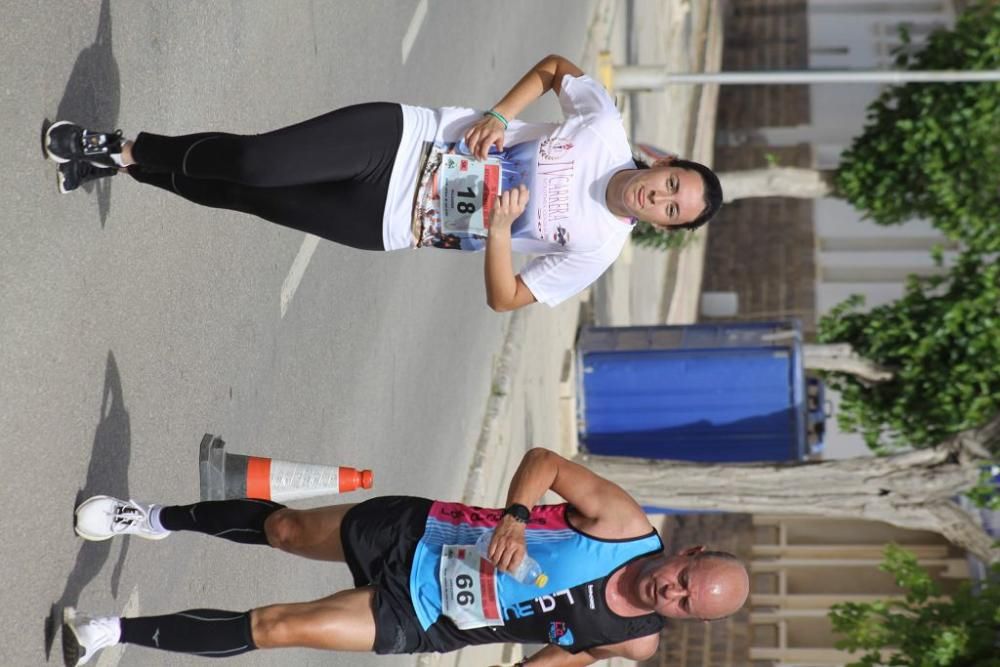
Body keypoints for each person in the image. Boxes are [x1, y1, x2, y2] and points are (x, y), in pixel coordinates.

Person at [44, 54, 722, 311]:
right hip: (406, 140)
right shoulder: (604, 127)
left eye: (670, 209)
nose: (658, 196)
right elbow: (553, 69)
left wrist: (496, 235)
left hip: (394, 223)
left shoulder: (598, 248)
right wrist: (497, 114)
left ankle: (127, 165)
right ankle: (124, 144)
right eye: (670, 184)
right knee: (256, 164)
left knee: (245, 195)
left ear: (661, 226)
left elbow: (508, 297)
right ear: (663, 163)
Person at [62, 447, 749, 666]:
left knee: (277, 625)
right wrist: (513, 517)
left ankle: (112, 632)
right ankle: (147, 518)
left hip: (425, 616)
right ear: (687, 551)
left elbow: (566, 650)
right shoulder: (625, 524)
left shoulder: (633, 642)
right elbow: (543, 462)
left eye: (688, 604)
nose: (673, 593)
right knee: (285, 529)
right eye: (686, 579)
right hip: (421, 533)